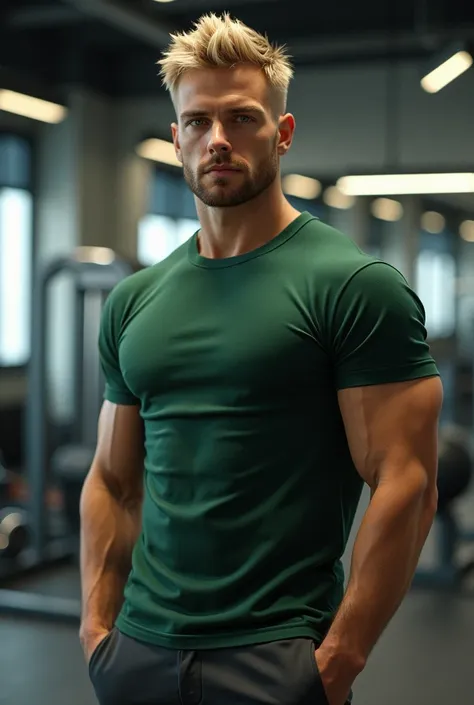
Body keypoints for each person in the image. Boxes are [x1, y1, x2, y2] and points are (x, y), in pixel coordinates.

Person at [79, 12, 442, 705]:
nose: (218, 139)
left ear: (283, 133)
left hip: (276, 653)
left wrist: (336, 660)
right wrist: (98, 630)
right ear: (176, 137)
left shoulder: (353, 287)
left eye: (242, 119)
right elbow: (113, 480)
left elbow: (406, 480)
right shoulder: (134, 300)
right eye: (198, 121)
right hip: (138, 652)